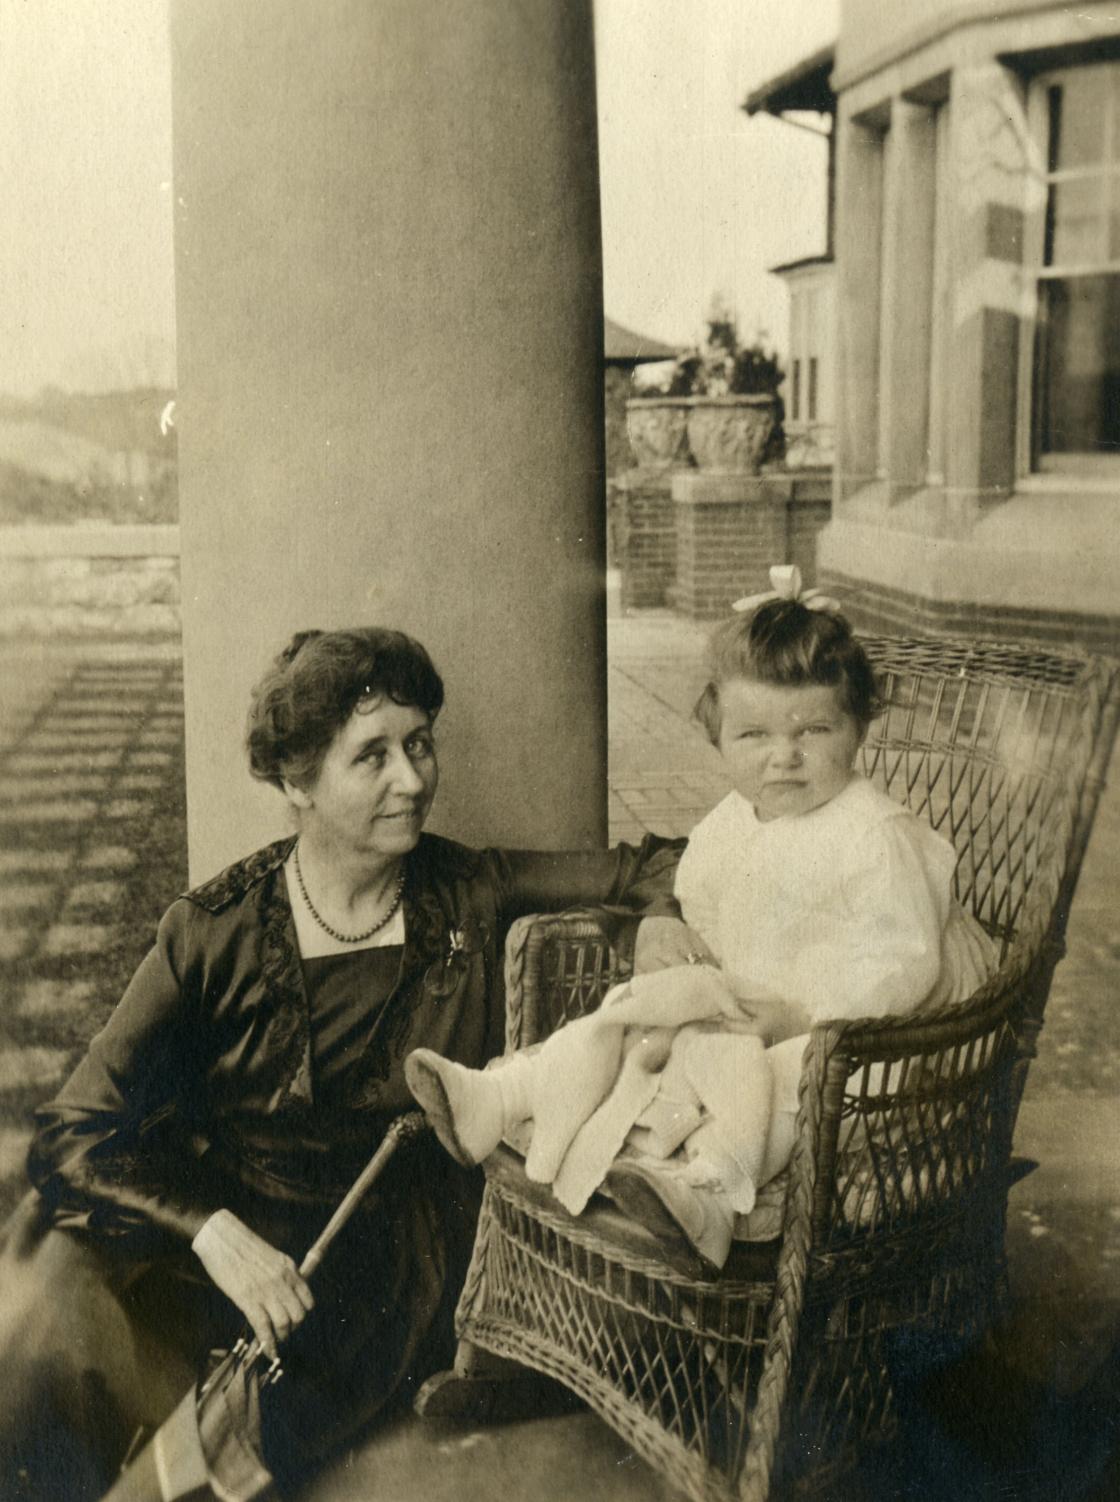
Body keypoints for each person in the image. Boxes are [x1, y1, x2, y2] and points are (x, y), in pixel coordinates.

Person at [0, 626, 683, 1502]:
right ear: (297, 781)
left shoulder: (470, 892)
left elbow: (654, 862)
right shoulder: (213, 931)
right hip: (235, 1242)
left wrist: (659, 916)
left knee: (220, 1454)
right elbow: (70, 1132)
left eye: (419, 744)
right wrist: (212, 1233)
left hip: (382, 1270)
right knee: (43, 1314)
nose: (413, 778)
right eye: (373, 757)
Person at [406, 567, 999, 1275]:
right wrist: (686, 947)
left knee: (778, 1077)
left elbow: (902, 966)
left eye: (814, 729)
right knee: (631, 1010)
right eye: (754, 735)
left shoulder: (876, 835)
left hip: (860, 1045)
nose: (784, 755)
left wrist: (802, 1016)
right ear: (716, 735)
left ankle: (712, 1191)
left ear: (859, 727)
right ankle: (504, 1095)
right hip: (748, 1005)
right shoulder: (731, 822)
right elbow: (706, 899)